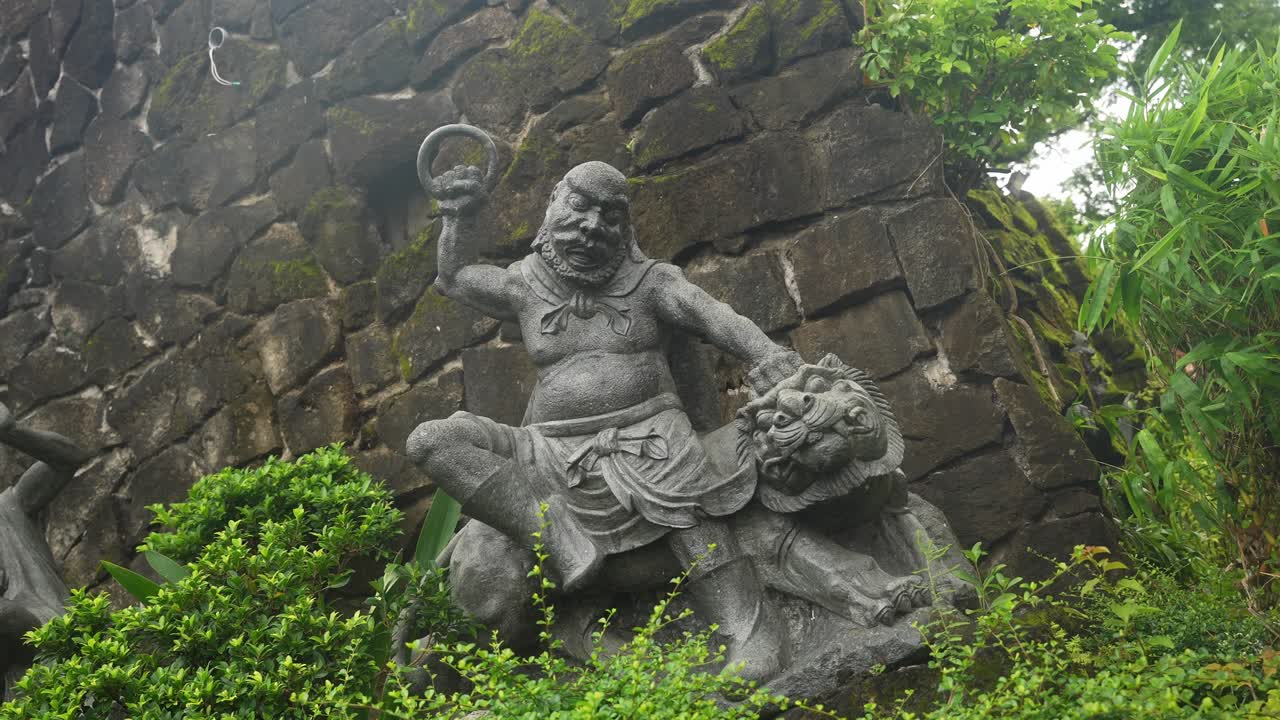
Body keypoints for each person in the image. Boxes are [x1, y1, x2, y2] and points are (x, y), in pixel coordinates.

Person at [407, 160, 806, 680]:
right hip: (544, 447)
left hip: (646, 433)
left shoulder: (649, 282)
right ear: (553, 202)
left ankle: (750, 634)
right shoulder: (525, 285)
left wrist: (766, 354)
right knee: (432, 441)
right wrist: (460, 216)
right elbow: (455, 277)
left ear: (626, 229)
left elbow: (711, 314)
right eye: (580, 206)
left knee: (686, 508)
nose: (593, 225)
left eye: (610, 215)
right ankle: (555, 537)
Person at [0, 401, 91, 698]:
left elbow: (69, 458)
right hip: (26, 695)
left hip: (78, 654)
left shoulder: (9, 507)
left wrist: (11, 432)